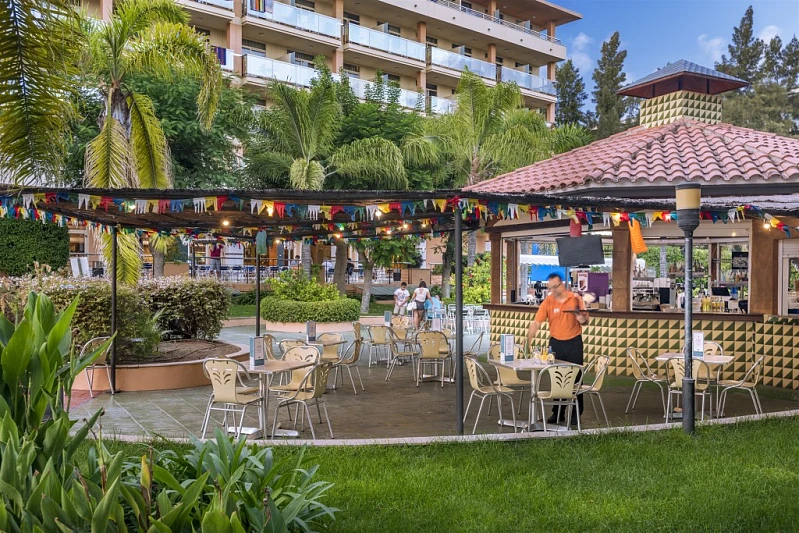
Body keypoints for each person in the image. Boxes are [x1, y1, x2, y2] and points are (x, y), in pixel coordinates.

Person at [526, 273, 589, 426]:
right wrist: (528, 339)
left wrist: (579, 316)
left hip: (574, 342)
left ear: (562, 285)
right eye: (550, 288)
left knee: (575, 379)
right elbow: (537, 322)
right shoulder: (548, 301)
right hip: (556, 343)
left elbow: (585, 321)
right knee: (557, 378)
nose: (553, 290)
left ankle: (575, 414)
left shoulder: (575, 298)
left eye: (555, 287)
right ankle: (558, 412)